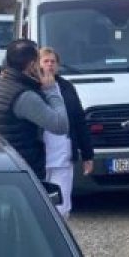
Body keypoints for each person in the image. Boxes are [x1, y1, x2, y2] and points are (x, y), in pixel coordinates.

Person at [0, 39, 69, 181]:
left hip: (0, 165)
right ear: (32, 65)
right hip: (24, 171)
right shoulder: (23, 96)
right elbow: (61, 125)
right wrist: (52, 91)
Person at [39, 47, 94, 217]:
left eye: (52, 62)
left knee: (61, 207)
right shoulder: (32, 87)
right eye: (46, 61)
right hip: (39, 156)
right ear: (38, 64)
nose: (49, 65)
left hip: (62, 155)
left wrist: (87, 154)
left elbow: (79, 120)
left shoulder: (67, 88)